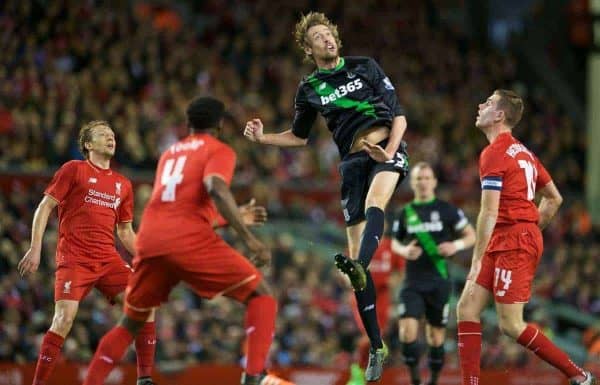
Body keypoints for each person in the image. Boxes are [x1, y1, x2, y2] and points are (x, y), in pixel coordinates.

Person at [82, 96, 294, 385]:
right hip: (188, 241)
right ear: (220, 125)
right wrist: (249, 239)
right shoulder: (219, 150)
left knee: (129, 324)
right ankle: (254, 375)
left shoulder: (170, 154)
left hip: (151, 240)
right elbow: (216, 187)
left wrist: (228, 218)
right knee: (263, 296)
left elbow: (177, 208)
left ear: (188, 124)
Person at [244, 12, 409, 381]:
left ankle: (360, 264)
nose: (327, 39)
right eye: (318, 37)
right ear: (309, 47)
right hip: (351, 164)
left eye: (329, 33)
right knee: (355, 270)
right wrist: (263, 138)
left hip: (384, 148)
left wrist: (390, 150)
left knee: (375, 205)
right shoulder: (310, 88)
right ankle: (377, 345)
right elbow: (300, 137)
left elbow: (398, 116)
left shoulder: (365, 67)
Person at [456, 90, 596, 385]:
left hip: (512, 240)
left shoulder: (494, 153)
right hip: (511, 236)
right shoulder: (524, 152)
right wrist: (532, 227)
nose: (480, 105)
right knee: (466, 308)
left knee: (511, 325)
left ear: (500, 116)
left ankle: (580, 376)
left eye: (489, 103)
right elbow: (554, 198)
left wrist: (480, 257)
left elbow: (489, 211)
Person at [17, 121, 157, 385]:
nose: (111, 138)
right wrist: (35, 249)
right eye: (104, 135)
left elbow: (125, 232)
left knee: (144, 304)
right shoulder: (74, 170)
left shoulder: (123, 184)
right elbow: (45, 207)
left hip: (108, 259)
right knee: (63, 320)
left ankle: (144, 378)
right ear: (88, 144)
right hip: (74, 259)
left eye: (113, 135)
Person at [391, 162, 475, 385]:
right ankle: (415, 378)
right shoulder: (405, 213)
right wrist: (404, 250)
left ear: (434, 182)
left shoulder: (447, 210)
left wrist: (455, 246)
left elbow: (471, 235)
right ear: (413, 182)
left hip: (439, 280)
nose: (423, 182)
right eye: (419, 178)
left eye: (427, 178)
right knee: (407, 332)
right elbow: (395, 243)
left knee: (435, 337)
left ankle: (434, 379)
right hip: (413, 281)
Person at [346, 223, 405, 385]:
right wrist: (349, 280)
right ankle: (357, 372)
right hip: (362, 294)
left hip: (383, 297)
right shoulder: (358, 244)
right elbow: (346, 268)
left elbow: (400, 271)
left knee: (376, 338)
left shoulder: (391, 246)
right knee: (368, 336)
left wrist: (394, 281)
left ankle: (366, 373)